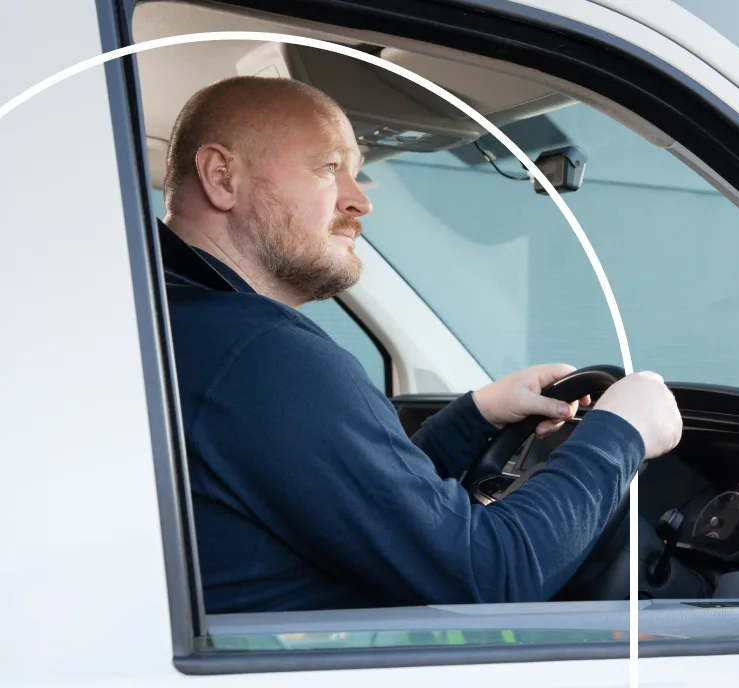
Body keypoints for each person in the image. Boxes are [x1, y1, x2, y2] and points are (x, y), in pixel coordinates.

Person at [159, 75, 683, 613]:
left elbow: (351, 502)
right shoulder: (260, 354)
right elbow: (488, 577)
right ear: (222, 176)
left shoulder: (174, 322)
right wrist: (620, 435)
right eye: (329, 168)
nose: (360, 201)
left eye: (357, 174)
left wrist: (476, 416)